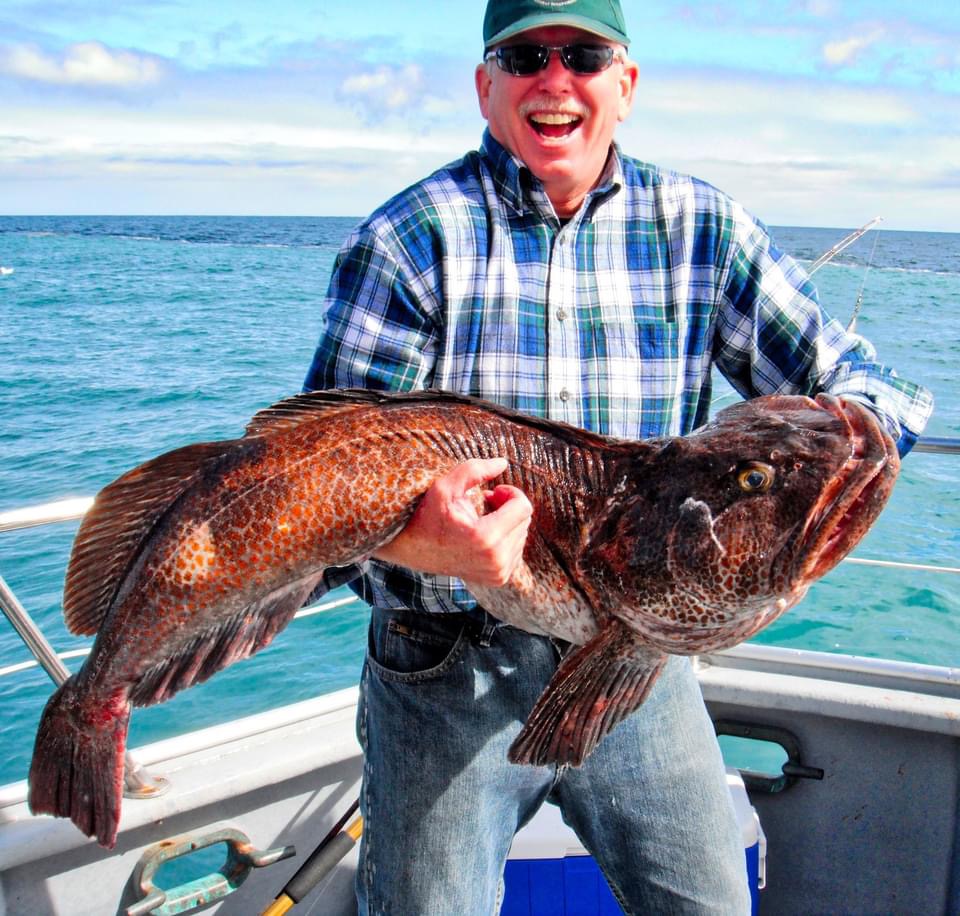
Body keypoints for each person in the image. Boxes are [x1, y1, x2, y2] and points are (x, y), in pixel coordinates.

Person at [304, 1, 934, 912]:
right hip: (443, 667)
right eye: (524, 56)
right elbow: (328, 482)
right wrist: (423, 546)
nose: (554, 78)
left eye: (584, 55)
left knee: (710, 903)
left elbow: (854, 384)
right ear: (487, 87)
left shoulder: (703, 229)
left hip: (642, 658)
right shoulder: (412, 238)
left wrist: (847, 459)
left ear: (625, 85)